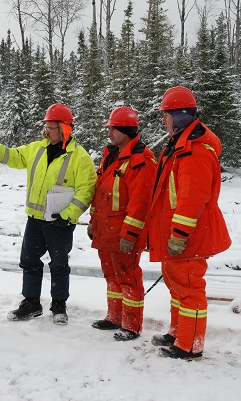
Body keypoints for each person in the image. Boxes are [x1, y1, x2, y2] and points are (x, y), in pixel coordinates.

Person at [0, 103, 96, 324]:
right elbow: (13, 156)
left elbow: (87, 190)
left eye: (51, 127)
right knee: (29, 261)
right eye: (45, 126)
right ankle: (31, 303)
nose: (46, 131)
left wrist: (67, 214)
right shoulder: (36, 148)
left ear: (65, 128)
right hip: (35, 220)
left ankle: (59, 306)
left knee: (58, 264)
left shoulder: (80, 157)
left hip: (60, 222)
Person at [147, 86, 231, 360]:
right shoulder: (180, 147)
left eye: (167, 115)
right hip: (177, 235)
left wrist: (180, 234)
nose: (164, 121)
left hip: (187, 236)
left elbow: (192, 198)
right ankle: (177, 333)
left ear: (181, 116)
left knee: (190, 290)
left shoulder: (194, 152)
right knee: (177, 287)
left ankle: (190, 345)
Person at [88, 107, 156, 341]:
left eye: (113, 129)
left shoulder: (140, 161)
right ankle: (114, 317)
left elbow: (140, 204)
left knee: (128, 279)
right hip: (105, 231)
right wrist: (92, 222)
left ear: (126, 131)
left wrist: (130, 234)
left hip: (123, 234)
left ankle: (131, 324)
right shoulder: (110, 156)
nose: (110, 133)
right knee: (112, 277)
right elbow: (100, 193)